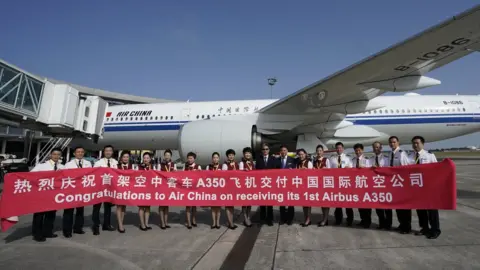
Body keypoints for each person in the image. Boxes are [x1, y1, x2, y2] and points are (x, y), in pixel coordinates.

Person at [410, 135, 441, 239]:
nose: (415, 145)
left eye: (417, 143)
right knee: (420, 209)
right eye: (413, 143)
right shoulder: (410, 157)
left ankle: (435, 230)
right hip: (416, 187)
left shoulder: (429, 156)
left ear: (422, 144)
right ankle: (424, 228)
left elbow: (437, 171)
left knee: (431, 209)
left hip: (428, 187)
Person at [30, 147, 64, 242]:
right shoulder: (41, 166)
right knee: (39, 215)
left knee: (51, 214)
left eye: (58, 154)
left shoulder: (62, 167)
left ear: (60, 156)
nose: (56, 156)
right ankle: (37, 234)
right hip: (42, 194)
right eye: (54, 154)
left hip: (54, 195)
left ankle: (48, 232)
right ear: (50, 155)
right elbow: (30, 176)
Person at [63, 146, 91, 238]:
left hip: (82, 191)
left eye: (82, 152)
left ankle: (78, 228)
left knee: (80, 211)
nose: (80, 153)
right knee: (69, 212)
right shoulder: (68, 164)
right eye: (78, 152)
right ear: (74, 153)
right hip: (71, 191)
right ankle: (67, 230)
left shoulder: (88, 163)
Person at [92, 145, 118, 235]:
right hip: (99, 189)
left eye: (110, 150)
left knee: (108, 208)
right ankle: (96, 226)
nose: (108, 152)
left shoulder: (115, 162)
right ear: (104, 152)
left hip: (110, 189)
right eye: (106, 150)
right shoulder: (98, 163)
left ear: (112, 152)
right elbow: (94, 175)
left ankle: (106, 225)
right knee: (96, 208)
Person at [388, 136, 412, 234]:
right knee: (398, 207)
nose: (392, 144)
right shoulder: (390, 154)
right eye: (391, 142)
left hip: (402, 184)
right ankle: (401, 224)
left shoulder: (402, 154)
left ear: (398, 142)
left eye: (394, 142)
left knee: (405, 207)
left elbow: (405, 169)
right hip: (394, 184)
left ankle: (407, 227)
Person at [329, 142, 354, 226]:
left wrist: (349, 168)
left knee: (348, 203)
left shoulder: (348, 158)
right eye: (337, 148)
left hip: (345, 182)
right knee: (338, 203)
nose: (339, 149)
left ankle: (350, 220)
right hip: (336, 183)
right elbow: (329, 171)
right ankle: (338, 220)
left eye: (340, 148)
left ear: (343, 148)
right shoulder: (332, 159)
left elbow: (352, 168)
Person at [371, 141, 391, 230]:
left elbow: (389, 171)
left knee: (387, 207)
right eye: (375, 147)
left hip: (384, 185)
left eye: (378, 147)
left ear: (381, 148)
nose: (376, 149)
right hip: (375, 185)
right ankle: (381, 223)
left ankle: (388, 224)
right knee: (378, 207)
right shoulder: (370, 159)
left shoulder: (386, 158)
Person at [352, 143, 372, 228]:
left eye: (359, 150)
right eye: (356, 150)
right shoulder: (353, 160)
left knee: (367, 205)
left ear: (362, 150)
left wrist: (363, 168)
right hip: (357, 185)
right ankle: (362, 220)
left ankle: (367, 221)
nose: (358, 152)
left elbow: (370, 171)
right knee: (360, 205)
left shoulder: (367, 160)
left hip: (365, 185)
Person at [255, 143, 276, 226]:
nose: (265, 151)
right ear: (261, 151)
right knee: (262, 202)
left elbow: (276, 170)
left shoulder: (273, 159)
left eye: (267, 149)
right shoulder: (258, 159)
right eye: (263, 149)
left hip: (270, 183)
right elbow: (256, 171)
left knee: (270, 203)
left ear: (269, 150)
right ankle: (262, 219)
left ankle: (270, 219)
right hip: (262, 183)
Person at [276, 145, 296, 225]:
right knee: (282, 202)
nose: (283, 152)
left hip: (290, 184)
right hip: (280, 184)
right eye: (282, 150)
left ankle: (290, 219)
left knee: (291, 203)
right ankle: (282, 218)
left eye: (285, 150)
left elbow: (296, 171)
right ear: (280, 152)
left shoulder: (292, 160)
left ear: (287, 151)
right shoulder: (277, 160)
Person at [313, 145, 331, 227]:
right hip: (318, 184)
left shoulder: (326, 160)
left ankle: (325, 219)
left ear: (323, 152)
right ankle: (324, 218)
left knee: (326, 203)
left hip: (325, 184)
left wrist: (325, 170)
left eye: (320, 150)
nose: (319, 152)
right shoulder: (315, 161)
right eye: (318, 151)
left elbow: (330, 171)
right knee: (322, 203)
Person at [222, 149, 239, 230]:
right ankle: (230, 223)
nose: (231, 156)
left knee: (232, 205)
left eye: (232, 155)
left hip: (234, 187)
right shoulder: (225, 165)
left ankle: (231, 221)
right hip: (227, 187)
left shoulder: (236, 164)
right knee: (228, 205)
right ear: (227, 156)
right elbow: (224, 175)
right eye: (229, 155)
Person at [159, 149, 176, 229]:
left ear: (171, 156)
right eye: (166, 155)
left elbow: (176, 175)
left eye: (168, 155)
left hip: (169, 187)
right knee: (162, 205)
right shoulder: (160, 165)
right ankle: (162, 223)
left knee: (167, 205)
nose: (167, 157)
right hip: (162, 186)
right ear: (164, 156)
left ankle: (166, 222)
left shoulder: (173, 164)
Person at [116, 150, 133, 233]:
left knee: (124, 207)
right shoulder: (116, 166)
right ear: (121, 158)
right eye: (124, 157)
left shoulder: (131, 167)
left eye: (127, 157)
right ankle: (120, 225)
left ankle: (121, 222)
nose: (125, 158)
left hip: (127, 189)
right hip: (119, 189)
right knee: (119, 207)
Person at [296, 149, 313, 227]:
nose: (301, 156)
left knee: (308, 204)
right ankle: (305, 218)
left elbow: (312, 175)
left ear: (305, 154)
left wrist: (306, 171)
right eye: (299, 154)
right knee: (303, 204)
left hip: (308, 186)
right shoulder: (298, 163)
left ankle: (308, 219)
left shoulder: (309, 163)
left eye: (302, 154)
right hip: (301, 186)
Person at [184, 152, 201, 229]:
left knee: (194, 206)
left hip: (195, 189)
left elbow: (201, 176)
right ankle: (188, 222)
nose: (189, 160)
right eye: (188, 158)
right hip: (187, 188)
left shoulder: (198, 167)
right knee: (188, 206)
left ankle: (194, 220)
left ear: (194, 159)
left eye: (191, 158)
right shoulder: (185, 166)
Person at [239, 147, 255, 227]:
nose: (247, 154)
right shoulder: (242, 163)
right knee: (244, 203)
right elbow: (240, 174)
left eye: (249, 153)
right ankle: (245, 218)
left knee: (249, 203)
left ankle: (248, 217)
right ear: (244, 154)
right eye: (246, 153)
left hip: (251, 185)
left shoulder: (252, 162)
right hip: (244, 186)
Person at [138, 152, 153, 231]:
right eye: (144, 158)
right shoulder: (139, 166)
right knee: (141, 207)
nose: (146, 159)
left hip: (149, 189)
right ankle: (142, 224)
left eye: (147, 158)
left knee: (147, 207)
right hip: (141, 189)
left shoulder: (152, 167)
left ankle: (146, 223)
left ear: (150, 159)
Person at [206, 152, 222, 229]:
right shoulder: (208, 167)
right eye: (214, 157)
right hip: (211, 189)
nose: (215, 159)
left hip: (219, 189)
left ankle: (218, 222)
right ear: (212, 159)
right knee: (213, 207)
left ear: (219, 159)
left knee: (218, 207)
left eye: (217, 157)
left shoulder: (222, 167)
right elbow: (205, 177)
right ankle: (213, 223)